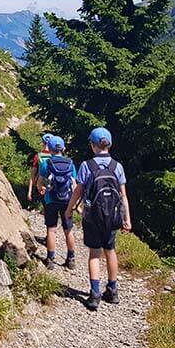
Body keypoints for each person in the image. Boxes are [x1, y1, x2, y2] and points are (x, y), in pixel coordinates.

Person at [65, 127, 132, 311]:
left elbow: (78, 191)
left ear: (93, 146)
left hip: (92, 216)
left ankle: (95, 294)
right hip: (112, 216)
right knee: (110, 250)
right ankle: (112, 290)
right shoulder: (117, 166)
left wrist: (69, 210)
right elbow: (123, 195)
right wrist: (127, 219)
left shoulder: (87, 166)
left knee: (94, 253)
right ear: (109, 145)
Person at [37, 136, 77, 270]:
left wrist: (42, 189)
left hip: (51, 200)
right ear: (63, 148)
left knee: (51, 229)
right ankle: (71, 259)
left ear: (50, 149)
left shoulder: (46, 163)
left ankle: (50, 259)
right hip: (67, 201)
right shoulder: (71, 163)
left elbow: (40, 183)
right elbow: (75, 184)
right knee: (68, 230)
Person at [27, 133, 54, 202]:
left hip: (41, 187)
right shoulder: (56, 157)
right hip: (55, 187)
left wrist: (29, 192)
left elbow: (32, 176)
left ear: (43, 143)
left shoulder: (38, 156)